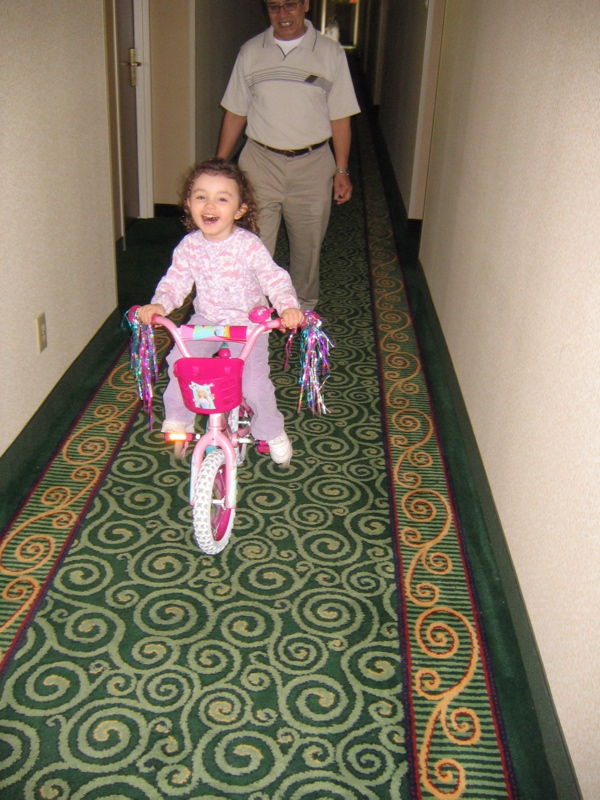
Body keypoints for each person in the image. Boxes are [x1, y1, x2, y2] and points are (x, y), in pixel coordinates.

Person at [137, 158, 304, 468]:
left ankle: (271, 430)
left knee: (253, 386)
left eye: (222, 198)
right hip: (207, 322)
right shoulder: (189, 246)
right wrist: (160, 304)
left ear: (239, 210)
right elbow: (175, 282)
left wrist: (288, 307)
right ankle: (179, 420)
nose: (209, 205)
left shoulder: (248, 246)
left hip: (247, 325)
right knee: (180, 364)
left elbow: (274, 278)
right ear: (188, 204)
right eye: (201, 196)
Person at [216, 0, 360, 312]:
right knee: (252, 245)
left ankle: (302, 310)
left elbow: (340, 118)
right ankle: (252, 313)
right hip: (259, 162)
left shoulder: (330, 53)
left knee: (307, 249)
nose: (283, 15)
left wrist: (342, 169)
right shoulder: (251, 52)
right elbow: (236, 113)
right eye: (274, 7)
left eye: (290, 5)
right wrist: (220, 166)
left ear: (306, 4)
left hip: (312, 165)